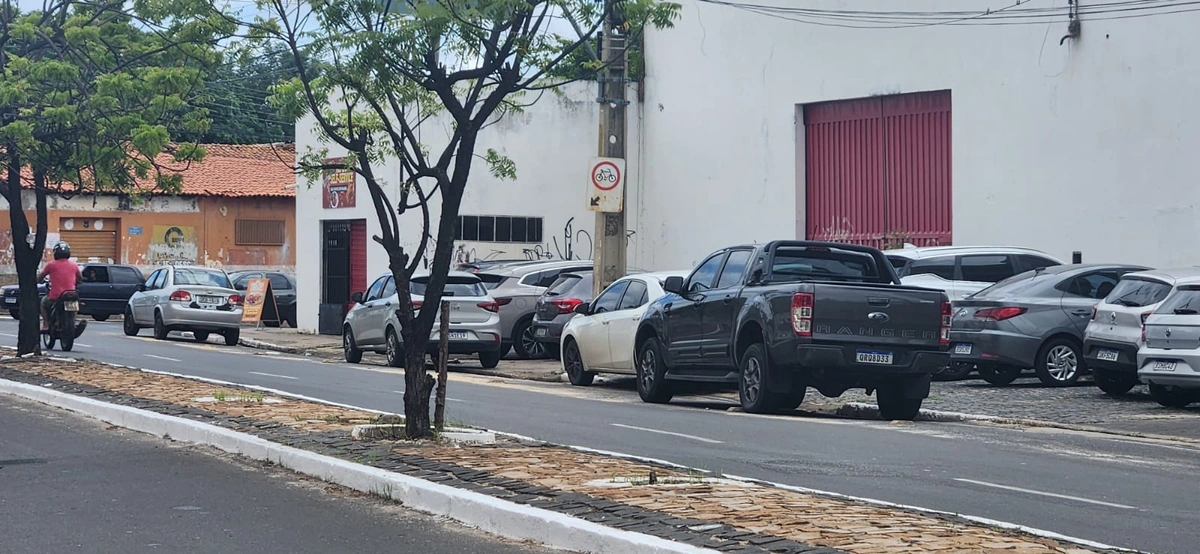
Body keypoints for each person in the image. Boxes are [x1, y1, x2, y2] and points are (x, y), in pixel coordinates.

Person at [38, 242, 82, 332]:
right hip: (71, 294)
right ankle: (73, 322)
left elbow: (41, 277)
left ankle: (46, 324)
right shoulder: (74, 265)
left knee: (43, 303)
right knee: (75, 305)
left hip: (56, 296)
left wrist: (38, 280)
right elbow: (80, 278)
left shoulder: (51, 265)